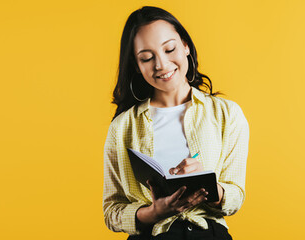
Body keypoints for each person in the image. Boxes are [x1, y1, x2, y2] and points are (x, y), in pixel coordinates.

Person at [102, 6, 249, 240]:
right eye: (147, 58)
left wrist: (210, 186)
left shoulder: (227, 114)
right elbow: (112, 211)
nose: (161, 64)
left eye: (169, 49)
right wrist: (153, 212)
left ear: (185, 46)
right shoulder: (122, 127)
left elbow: (236, 196)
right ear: (137, 66)